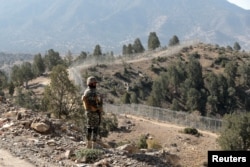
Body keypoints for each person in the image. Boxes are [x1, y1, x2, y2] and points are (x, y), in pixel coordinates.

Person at [82, 76, 103, 148]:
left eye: (95, 83)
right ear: (90, 83)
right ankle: (93, 145)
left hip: (88, 112)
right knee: (95, 128)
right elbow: (95, 103)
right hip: (94, 112)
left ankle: (88, 144)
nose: (95, 84)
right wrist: (99, 108)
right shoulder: (93, 92)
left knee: (89, 127)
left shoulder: (86, 91)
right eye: (94, 83)